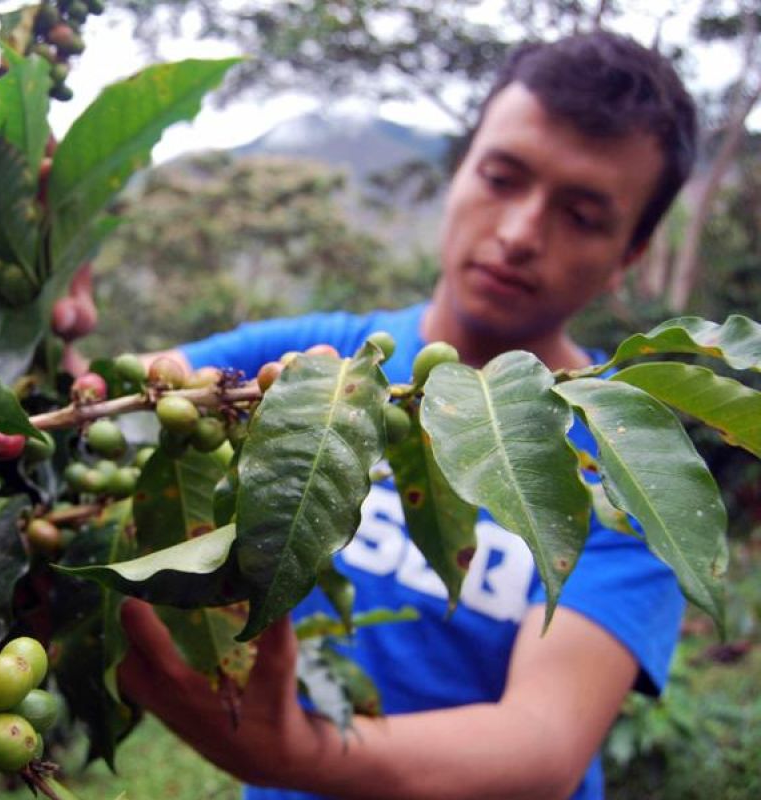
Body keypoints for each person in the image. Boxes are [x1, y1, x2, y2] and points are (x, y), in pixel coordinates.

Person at [116, 31, 698, 800]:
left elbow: (545, 742)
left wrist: (294, 752)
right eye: (501, 178)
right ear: (461, 168)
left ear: (630, 254)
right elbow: (125, 400)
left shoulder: (632, 465)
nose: (519, 234)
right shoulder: (307, 364)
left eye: (583, 216)